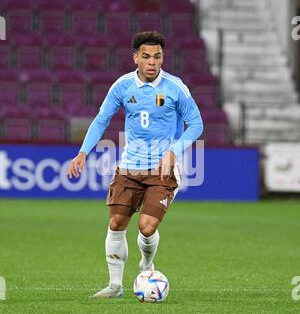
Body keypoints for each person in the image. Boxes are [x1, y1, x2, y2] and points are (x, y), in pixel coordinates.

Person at [67, 31, 204, 298]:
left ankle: (147, 266)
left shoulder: (176, 87)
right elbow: (101, 119)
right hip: (129, 167)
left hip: (162, 170)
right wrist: (83, 152)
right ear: (135, 58)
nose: (153, 62)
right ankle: (115, 286)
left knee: (147, 226)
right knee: (117, 222)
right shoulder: (122, 86)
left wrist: (174, 151)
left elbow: (196, 124)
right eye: (146, 57)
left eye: (158, 56)